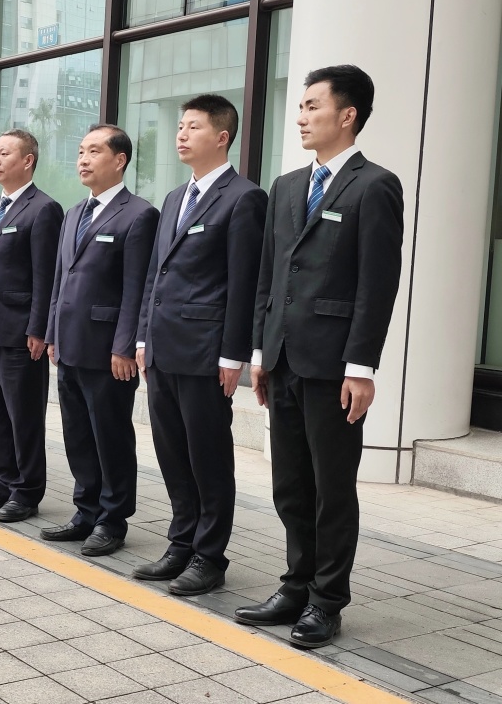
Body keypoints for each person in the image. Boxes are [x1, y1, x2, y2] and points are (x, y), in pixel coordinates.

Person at [236, 65, 403, 649]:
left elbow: (377, 285)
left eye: (313, 106)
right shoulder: (286, 186)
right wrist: (260, 350)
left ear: (347, 114)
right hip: (283, 358)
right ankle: (295, 585)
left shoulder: (374, 185)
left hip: (334, 366)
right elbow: (269, 276)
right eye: (301, 107)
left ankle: (327, 602)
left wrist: (361, 367)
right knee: (290, 484)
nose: (301, 116)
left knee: (332, 487)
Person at [133, 95, 267, 596]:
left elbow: (244, 282)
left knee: (207, 456)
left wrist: (234, 355)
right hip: (163, 348)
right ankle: (181, 543)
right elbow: (155, 274)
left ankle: (209, 556)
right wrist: (142, 335)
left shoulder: (244, 198)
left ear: (222, 136)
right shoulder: (174, 197)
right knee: (171, 451)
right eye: (180, 126)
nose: (181, 134)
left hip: (206, 352)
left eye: (193, 126)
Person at [43, 125, 158, 556]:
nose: (83, 160)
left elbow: (136, 288)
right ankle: (85, 510)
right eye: (80, 151)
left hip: (109, 349)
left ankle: (112, 519)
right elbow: (60, 280)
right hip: (69, 344)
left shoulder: (139, 214)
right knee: (77, 433)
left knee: (110, 436)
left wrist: (124, 346)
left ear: (120, 160)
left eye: (94, 151)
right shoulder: (74, 213)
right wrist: (52, 333)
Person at [0, 130, 61, 523]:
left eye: (5, 153)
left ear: (28, 160)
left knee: (24, 417)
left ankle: (27, 491)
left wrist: (39, 328)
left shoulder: (44, 209)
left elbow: (45, 275)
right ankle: (4, 481)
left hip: (20, 332)